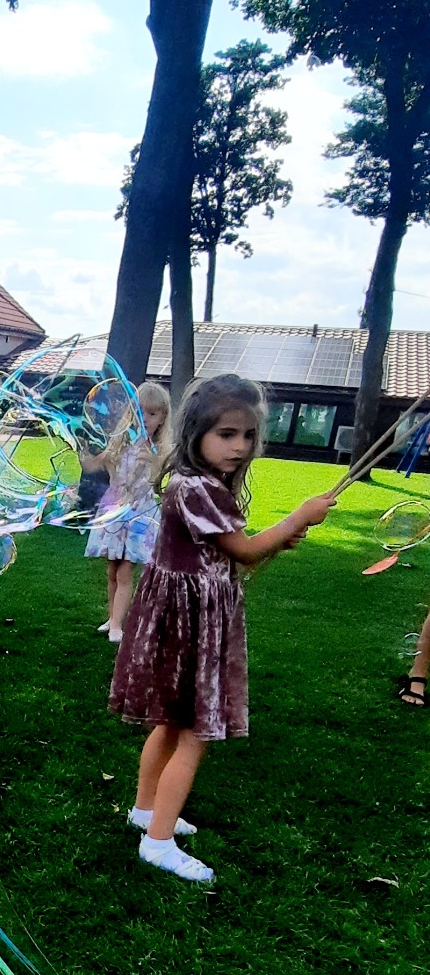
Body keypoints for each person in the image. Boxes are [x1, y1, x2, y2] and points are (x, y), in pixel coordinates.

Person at [109, 373, 337, 885]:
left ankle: (146, 811)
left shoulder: (196, 485)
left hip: (183, 618)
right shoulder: (199, 490)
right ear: (196, 433)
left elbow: (233, 552)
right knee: (192, 732)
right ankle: (158, 841)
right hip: (189, 626)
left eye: (248, 435)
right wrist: (296, 518)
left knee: (169, 722)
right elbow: (247, 551)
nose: (240, 447)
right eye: (226, 434)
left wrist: (280, 537)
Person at [85, 381, 172, 642]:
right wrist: (83, 453)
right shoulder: (118, 445)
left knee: (124, 572)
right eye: (139, 412)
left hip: (138, 514)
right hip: (114, 510)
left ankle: (117, 626)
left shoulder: (160, 450)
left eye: (152, 413)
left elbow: (160, 483)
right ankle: (112, 617)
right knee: (112, 570)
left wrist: (155, 462)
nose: (144, 418)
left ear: (162, 418)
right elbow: (94, 466)